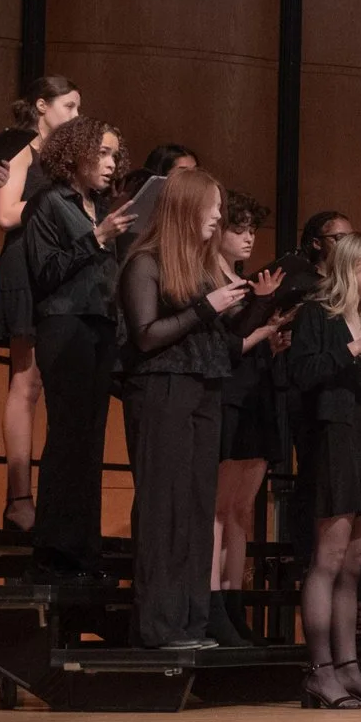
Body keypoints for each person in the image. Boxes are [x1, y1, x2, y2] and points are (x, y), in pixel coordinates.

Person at [119, 167, 246, 650]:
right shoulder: (146, 262)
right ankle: (158, 626)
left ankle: (190, 623)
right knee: (163, 508)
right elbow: (147, 335)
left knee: (195, 508)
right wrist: (206, 308)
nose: (218, 215)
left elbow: (229, 338)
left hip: (204, 388)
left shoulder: (203, 266)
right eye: (211, 206)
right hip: (162, 389)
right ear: (186, 208)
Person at [287, 233, 361, 708]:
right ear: (353, 267)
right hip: (332, 437)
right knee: (328, 560)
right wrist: (356, 348)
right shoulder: (318, 314)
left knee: (354, 565)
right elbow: (302, 373)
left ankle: (349, 665)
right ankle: (319, 669)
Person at [23, 116, 131, 578]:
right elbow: (44, 273)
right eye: (102, 153)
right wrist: (97, 238)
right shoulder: (49, 202)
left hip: (101, 326)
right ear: (75, 154)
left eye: (113, 155)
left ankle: (83, 551)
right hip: (64, 324)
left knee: (90, 443)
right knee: (67, 437)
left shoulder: (99, 205)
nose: (109, 164)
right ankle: (54, 551)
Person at [0, 74, 80, 530]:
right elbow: (5, 214)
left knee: (51, 385)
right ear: (42, 106)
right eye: (69, 106)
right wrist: (56, 203)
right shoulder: (23, 149)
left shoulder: (62, 160)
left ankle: (51, 499)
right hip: (25, 266)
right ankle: (18, 498)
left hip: (57, 269)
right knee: (25, 384)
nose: (75, 116)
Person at [207, 191, 289, 647]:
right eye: (237, 229)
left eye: (251, 230)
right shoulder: (212, 279)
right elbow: (228, 341)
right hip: (228, 396)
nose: (247, 238)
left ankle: (235, 608)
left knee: (241, 510)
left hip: (257, 391)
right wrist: (260, 315)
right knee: (217, 508)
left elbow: (251, 340)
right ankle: (212, 606)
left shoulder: (244, 281)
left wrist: (273, 337)